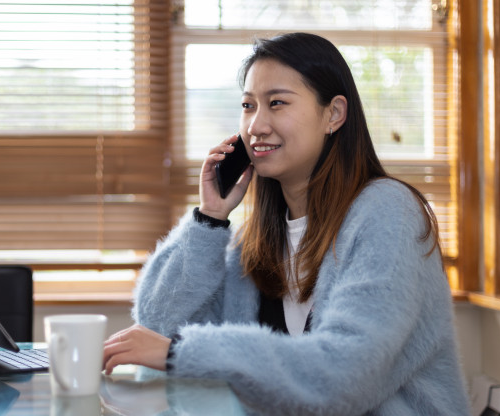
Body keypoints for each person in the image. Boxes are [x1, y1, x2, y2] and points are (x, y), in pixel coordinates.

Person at [102, 32, 470, 415]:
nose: (256, 125)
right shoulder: (256, 240)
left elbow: (345, 377)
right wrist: (208, 220)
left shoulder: (388, 213)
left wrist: (181, 352)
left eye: (276, 103)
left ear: (334, 114)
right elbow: (158, 326)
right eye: (248, 106)